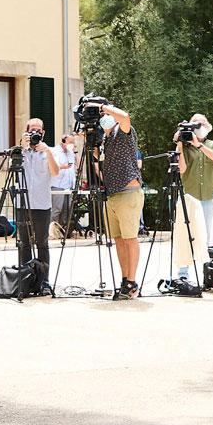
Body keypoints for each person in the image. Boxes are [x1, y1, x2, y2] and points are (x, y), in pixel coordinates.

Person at [92, 103, 144, 299]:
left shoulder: (123, 132)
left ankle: (132, 281)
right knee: (119, 240)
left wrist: (103, 106)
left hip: (128, 192)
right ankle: (125, 280)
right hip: (112, 194)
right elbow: (102, 172)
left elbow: (125, 117)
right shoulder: (105, 141)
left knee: (130, 238)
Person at [173, 114, 213, 284]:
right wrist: (180, 144)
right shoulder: (185, 147)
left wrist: (198, 145)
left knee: (205, 235)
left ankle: (207, 274)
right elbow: (182, 169)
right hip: (189, 196)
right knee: (185, 234)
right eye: (195, 124)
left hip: (208, 195)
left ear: (208, 126)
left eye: (201, 123)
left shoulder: (212, 144)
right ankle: (183, 273)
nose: (199, 126)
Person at [17, 118, 59, 275]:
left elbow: (55, 172)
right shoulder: (21, 151)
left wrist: (47, 151)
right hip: (23, 204)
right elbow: (12, 170)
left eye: (38, 130)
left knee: (42, 243)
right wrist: (22, 147)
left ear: (43, 133)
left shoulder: (50, 151)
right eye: (32, 130)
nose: (35, 133)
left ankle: (44, 280)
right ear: (26, 132)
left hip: (42, 204)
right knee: (24, 244)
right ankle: (26, 278)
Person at [50, 132, 79, 236]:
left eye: (73, 142)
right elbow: (54, 166)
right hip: (58, 185)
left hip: (68, 186)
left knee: (66, 211)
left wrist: (75, 152)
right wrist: (64, 166)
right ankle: (52, 232)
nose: (72, 144)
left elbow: (77, 165)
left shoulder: (71, 153)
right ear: (63, 141)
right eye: (70, 142)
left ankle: (63, 232)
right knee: (56, 209)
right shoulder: (55, 151)